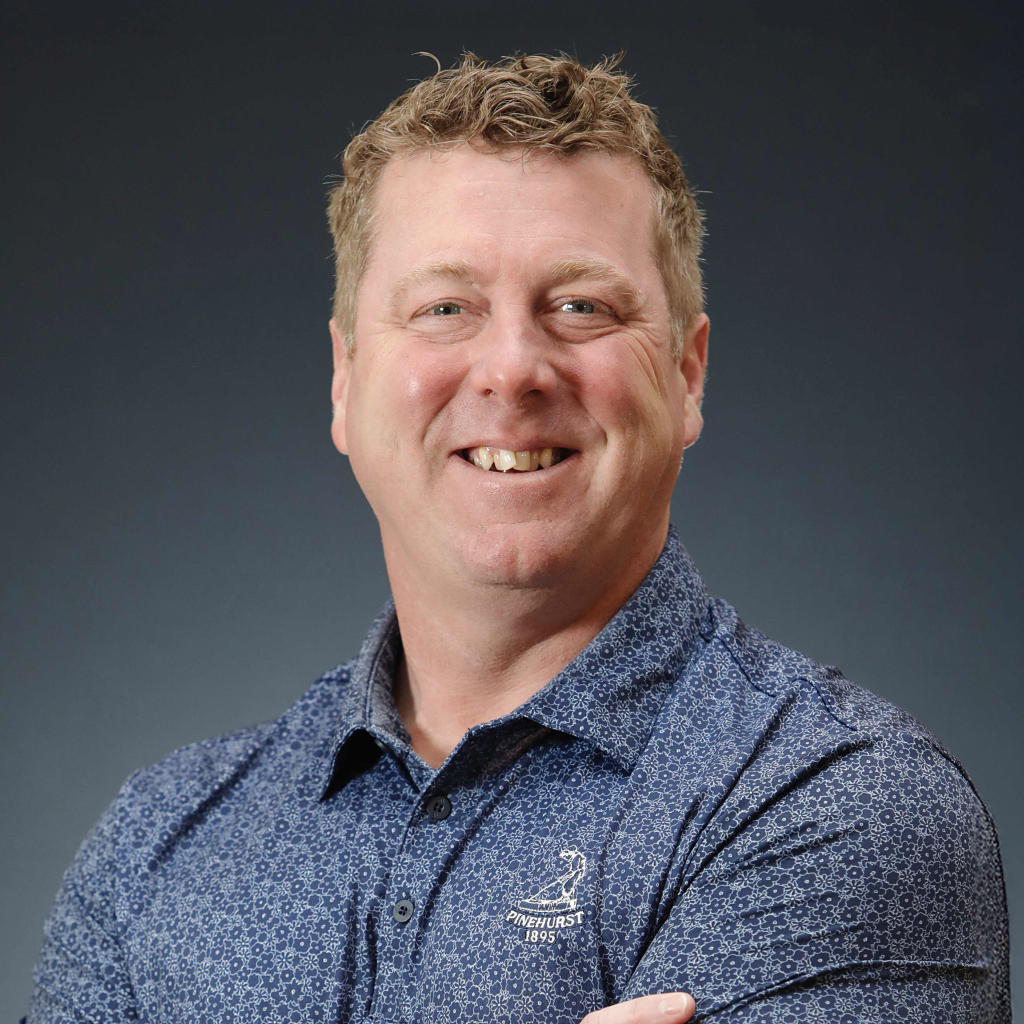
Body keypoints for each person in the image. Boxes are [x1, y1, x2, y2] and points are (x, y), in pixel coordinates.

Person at [26, 53, 1009, 1024]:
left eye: (581, 306)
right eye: (444, 308)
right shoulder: (154, 846)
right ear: (345, 378)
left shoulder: (844, 807)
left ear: (687, 374)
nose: (511, 368)